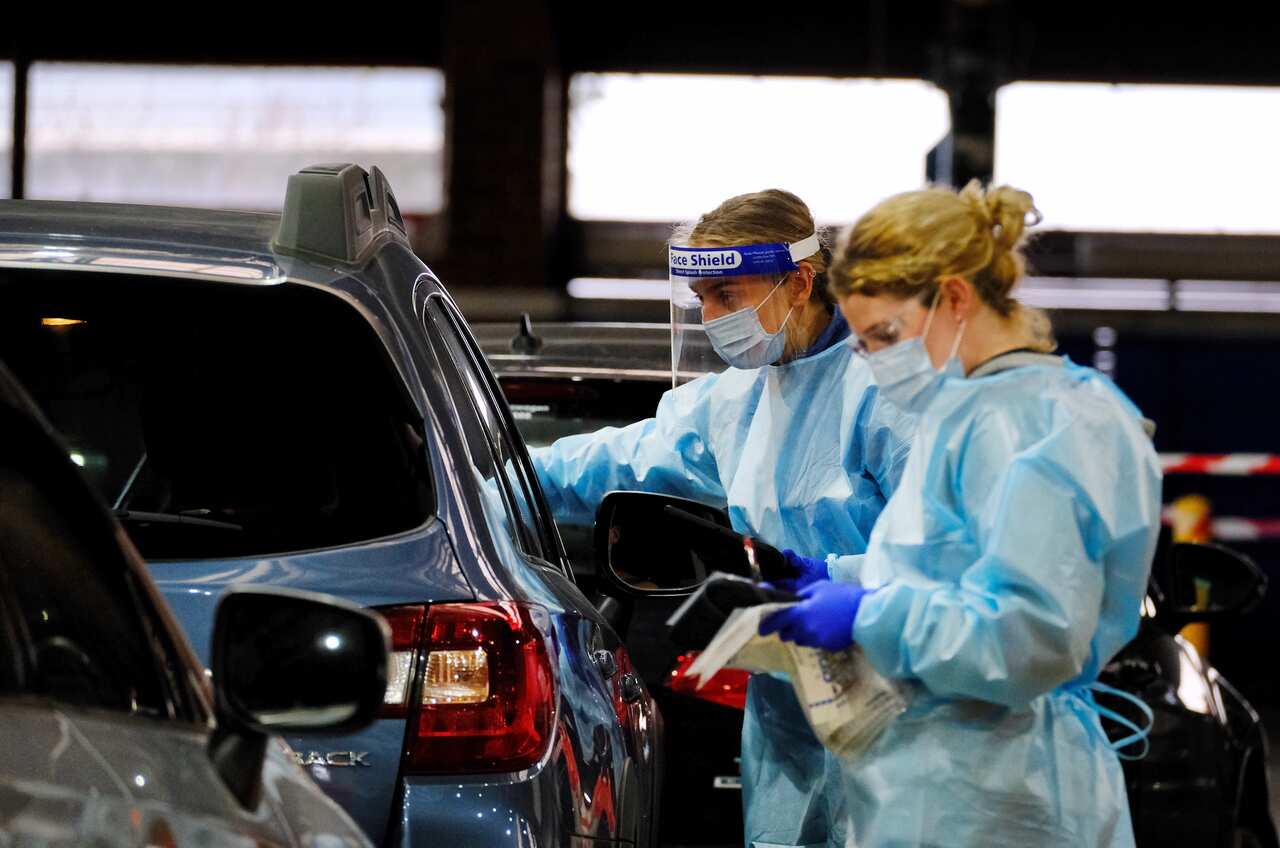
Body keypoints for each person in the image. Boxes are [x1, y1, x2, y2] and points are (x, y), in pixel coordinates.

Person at [759, 182, 1162, 847]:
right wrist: (840, 577)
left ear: (953, 297)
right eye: (863, 343)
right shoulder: (968, 413)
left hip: (1007, 794)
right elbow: (955, 568)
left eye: (886, 334)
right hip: (942, 787)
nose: (876, 360)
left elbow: (1028, 635)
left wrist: (866, 615)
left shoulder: (1044, 423)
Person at [529, 189, 915, 847]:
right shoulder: (735, 401)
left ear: (800, 282)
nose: (711, 317)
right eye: (701, 297)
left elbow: (951, 555)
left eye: (727, 294)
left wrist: (834, 580)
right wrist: (487, 477)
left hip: (902, 693)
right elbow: (611, 463)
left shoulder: (891, 392)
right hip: (793, 703)